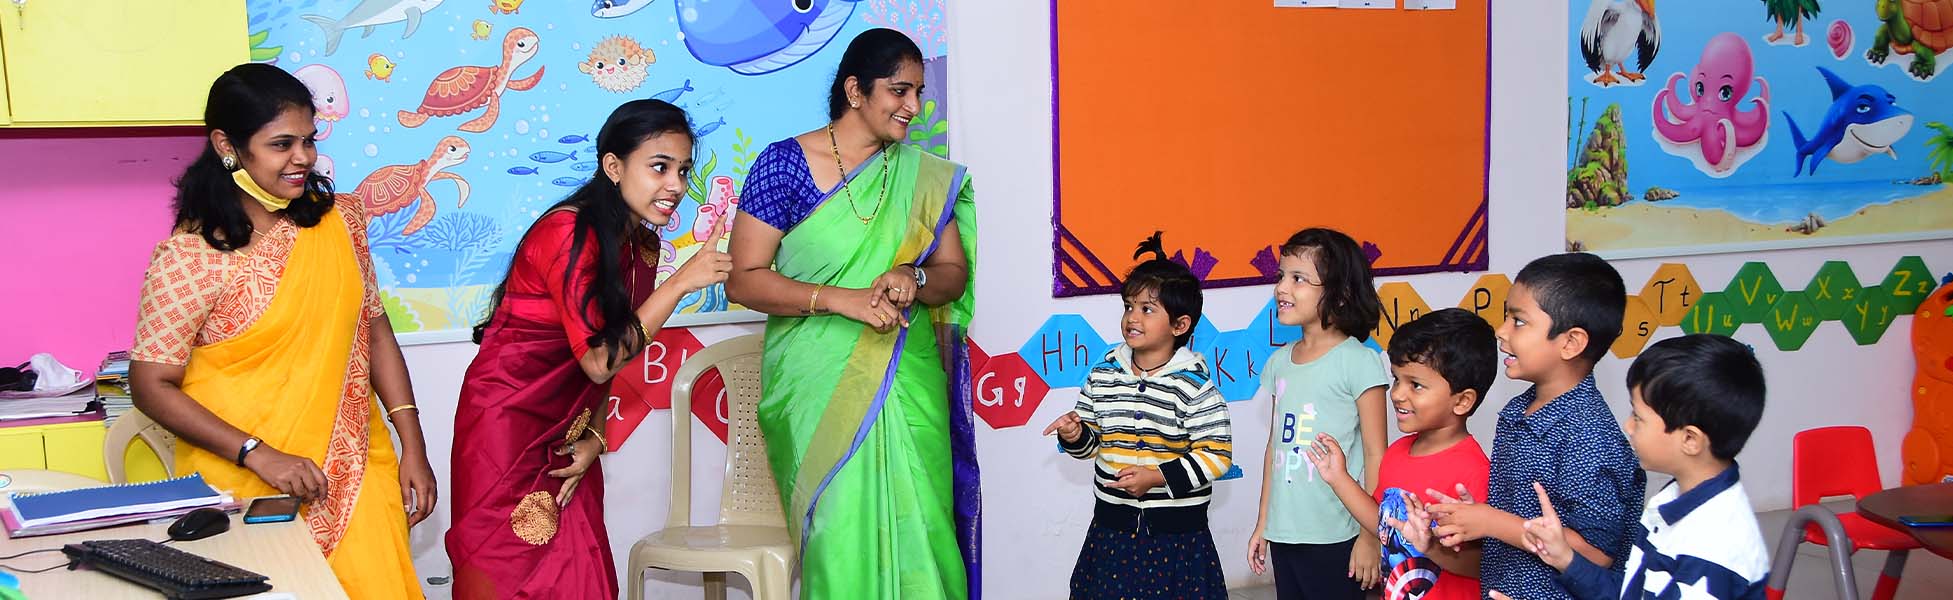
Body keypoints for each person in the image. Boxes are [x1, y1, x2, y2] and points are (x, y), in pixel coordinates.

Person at [128, 63, 433, 598]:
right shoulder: (191, 256)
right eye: (281, 144)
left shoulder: (341, 221)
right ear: (227, 146)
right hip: (243, 483)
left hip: (354, 467)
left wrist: (413, 442)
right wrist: (257, 453)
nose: (303, 158)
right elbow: (150, 384)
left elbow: (374, 328)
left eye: (309, 141)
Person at [725, 27, 979, 600]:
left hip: (906, 375)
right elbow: (744, 278)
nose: (913, 106)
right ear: (855, 91)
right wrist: (840, 299)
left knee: (922, 526)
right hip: (817, 383)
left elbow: (951, 274)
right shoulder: (783, 166)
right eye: (899, 90)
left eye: (918, 93)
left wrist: (912, 276)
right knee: (841, 537)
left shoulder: (924, 177)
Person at [446, 99, 732, 599]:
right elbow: (599, 361)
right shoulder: (568, 231)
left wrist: (596, 437)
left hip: (569, 428)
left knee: (581, 572)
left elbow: (615, 351)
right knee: (508, 572)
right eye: (659, 167)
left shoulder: (640, 245)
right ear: (614, 167)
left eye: (684, 171)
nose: (676, 185)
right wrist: (681, 283)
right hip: (506, 427)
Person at [1424, 252, 1646, 600]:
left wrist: (1492, 521)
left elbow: (1595, 553)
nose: (1501, 331)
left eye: (1519, 321)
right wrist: (1475, 516)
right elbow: (1516, 517)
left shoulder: (1591, 435)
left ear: (1571, 343)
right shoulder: (1519, 411)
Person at [1504, 334, 1771, 600]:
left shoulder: (1713, 548)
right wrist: (1565, 558)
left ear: (1690, 439)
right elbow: (1632, 591)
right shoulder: (1675, 495)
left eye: (1638, 417)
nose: (1628, 426)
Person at [1045, 234, 1233, 600]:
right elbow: (1091, 444)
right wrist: (1075, 435)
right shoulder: (1103, 375)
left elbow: (1217, 455)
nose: (1132, 317)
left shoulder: (1194, 386)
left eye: (1147, 309)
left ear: (1180, 325)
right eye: (1129, 306)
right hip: (1112, 530)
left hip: (1176, 538)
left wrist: (1157, 477)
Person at [1307, 308, 1496, 600]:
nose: (1396, 394)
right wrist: (1339, 478)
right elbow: (1382, 523)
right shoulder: (1397, 452)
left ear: (1462, 401)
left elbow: (1484, 566)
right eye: (1397, 379)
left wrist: (1430, 545)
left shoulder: (1474, 471)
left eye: (1415, 385)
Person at [1246, 228, 1391, 600]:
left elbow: (1376, 453)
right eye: (1281, 276)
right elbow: (1274, 448)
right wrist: (1264, 523)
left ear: (1340, 294)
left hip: (1339, 534)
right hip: (1285, 533)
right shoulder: (1279, 363)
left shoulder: (1359, 361)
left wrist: (1370, 536)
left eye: (1298, 279)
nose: (1282, 288)